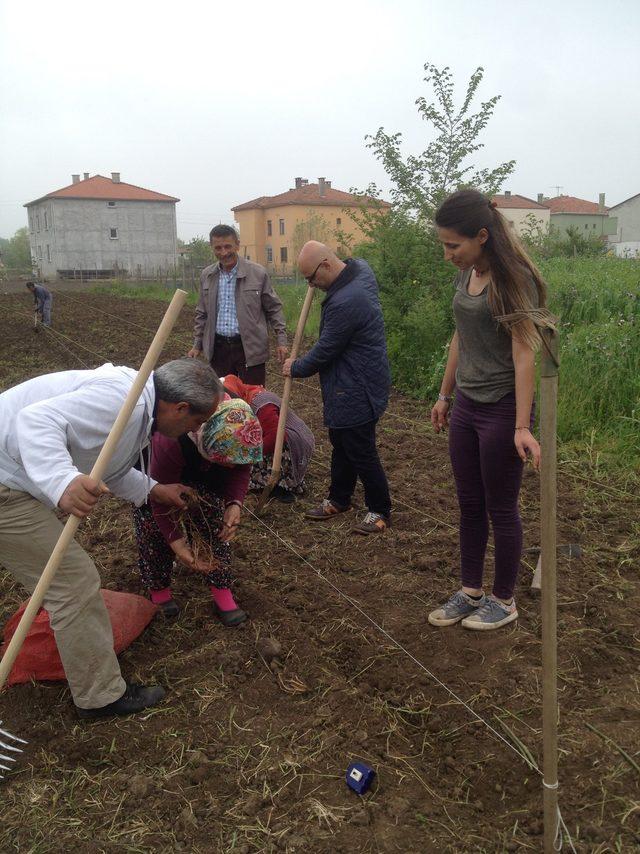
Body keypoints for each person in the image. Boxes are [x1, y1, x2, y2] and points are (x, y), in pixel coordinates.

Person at [0, 358, 221, 717]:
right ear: (180, 407)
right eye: (196, 421)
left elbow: (105, 463)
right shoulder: (124, 404)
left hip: (10, 471)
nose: (192, 431)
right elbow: (35, 421)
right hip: (4, 482)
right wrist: (61, 481)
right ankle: (99, 696)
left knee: (68, 581)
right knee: (72, 584)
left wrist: (153, 489)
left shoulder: (138, 407)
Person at [428, 189, 553, 632]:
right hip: (466, 405)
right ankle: (470, 591)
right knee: (468, 503)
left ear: (482, 236)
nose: (447, 254)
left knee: (502, 507)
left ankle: (503, 599)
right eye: (443, 244)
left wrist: (522, 425)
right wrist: (444, 395)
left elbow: (524, 354)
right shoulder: (467, 276)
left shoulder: (510, 280)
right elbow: (460, 338)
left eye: (452, 245)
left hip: (500, 410)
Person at [283, 241, 391, 534]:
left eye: (312, 278)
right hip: (351, 380)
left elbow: (326, 349)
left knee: (360, 449)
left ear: (327, 265)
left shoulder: (347, 301)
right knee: (342, 444)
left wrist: (296, 367)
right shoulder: (359, 270)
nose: (311, 285)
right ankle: (339, 498)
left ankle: (379, 509)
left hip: (357, 385)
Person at [133, 398, 262, 626]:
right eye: (227, 462)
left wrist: (234, 503)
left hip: (204, 464)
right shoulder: (171, 439)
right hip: (156, 474)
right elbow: (159, 501)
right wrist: (177, 542)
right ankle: (159, 588)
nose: (232, 467)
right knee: (152, 527)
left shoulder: (239, 429)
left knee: (213, 524)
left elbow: (241, 466)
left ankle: (222, 592)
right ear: (207, 443)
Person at [187, 225, 288, 385]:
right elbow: (202, 313)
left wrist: (281, 341)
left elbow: (274, 309)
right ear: (211, 247)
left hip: (249, 349)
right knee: (223, 400)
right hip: (219, 350)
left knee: (254, 398)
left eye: (228, 246)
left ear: (237, 245)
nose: (224, 252)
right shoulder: (207, 275)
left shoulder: (258, 273)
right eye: (218, 248)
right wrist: (197, 345)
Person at [222, 373, 315, 503]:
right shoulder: (249, 395)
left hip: (293, 440)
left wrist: (247, 456)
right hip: (278, 435)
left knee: (253, 448)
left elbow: (275, 437)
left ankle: (279, 484)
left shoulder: (261, 403)